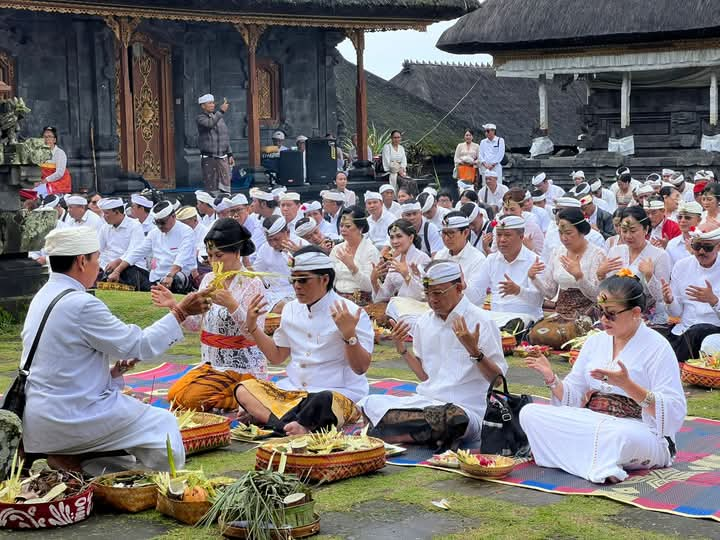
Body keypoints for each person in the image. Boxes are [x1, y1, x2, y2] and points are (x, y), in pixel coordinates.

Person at [22, 226, 210, 473]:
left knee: (126, 447)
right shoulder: (80, 304)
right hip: (67, 417)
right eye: (96, 258)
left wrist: (110, 374)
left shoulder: (44, 295)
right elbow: (139, 345)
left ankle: (77, 462)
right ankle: (159, 480)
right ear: (81, 261)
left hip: (42, 413)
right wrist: (180, 312)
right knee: (162, 424)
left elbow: (59, 366)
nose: (99, 266)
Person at [521, 274, 686, 484]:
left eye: (611, 314)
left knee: (616, 436)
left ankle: (577, 455)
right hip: (594, 421)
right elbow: (573, 395)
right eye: (600, 311)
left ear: (636, 313)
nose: (604, 319)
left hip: (638, 429)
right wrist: (551, 378)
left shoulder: (658, 347)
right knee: (530, 413)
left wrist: (627, 385)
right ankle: (592, 458)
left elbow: (673, 411)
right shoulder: (595, 342)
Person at [360, 260, 506, 448]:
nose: (432, 300)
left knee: (454, 418)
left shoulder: (482, 321)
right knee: (368, 403)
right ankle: (417, 434)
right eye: (427, 294)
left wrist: (474, 351)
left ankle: (396, 434)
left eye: (438, 293)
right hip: (428, 403)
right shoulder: (424, 322)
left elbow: (498, 380)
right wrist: (402, 349)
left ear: (459, 287)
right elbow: (425, 377)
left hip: (467, 409)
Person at [235, 246, 373, 435]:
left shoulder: (351, 312)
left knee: (323, 401)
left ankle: (274, 420)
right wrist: (252, 327)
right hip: (294, 392)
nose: (297, 286)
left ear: (324, 279)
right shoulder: (291, 309)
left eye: (303, 280)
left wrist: (349, 335)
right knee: (245, 389)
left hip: (337, 393)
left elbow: (361, 368)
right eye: (294, 281)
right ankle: (292, 426)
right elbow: (277, 357)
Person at [153, 218, 268, 411]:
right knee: (174, 396)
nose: (214, 262)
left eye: (219, 255)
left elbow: (254, 335)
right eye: (210, 256)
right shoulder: (208, 279)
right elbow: (195, 325)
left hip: (241, 367)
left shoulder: (252, 283)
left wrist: (232, 305)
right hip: (211, 364)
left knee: (190, 400)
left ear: (237, 253)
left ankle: (247, 394)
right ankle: (241, 397)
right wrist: (174, 304)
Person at [466, 216, 544, 325]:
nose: (502, 240)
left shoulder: (535, 261)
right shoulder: (491, 260)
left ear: (521, 237)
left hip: (525, 321)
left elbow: (538, 301)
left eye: (507, 235)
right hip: (496, 319)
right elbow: (476, 295)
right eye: (499, 235)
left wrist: (518, 290)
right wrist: (462, 287)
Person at [530, 208, 605, 320]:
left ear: (581, 231)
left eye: (569, 233)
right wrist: (533, 277)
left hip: (587, 315)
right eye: (560, 233)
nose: (564, 238)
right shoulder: (557, 252)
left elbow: (597, 297)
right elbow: (550, 293)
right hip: (561, 313)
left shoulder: (597, 254)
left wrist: (579, 277)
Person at [601, 206, 671, 324]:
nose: (628, 236)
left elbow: (661, 297)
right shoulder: (615, 251)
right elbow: (606, 290)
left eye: (633, 231)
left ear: (646, 229)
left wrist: (649, 276)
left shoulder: (659, 255)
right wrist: (600, 275)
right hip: (616, 313)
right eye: (624, 230)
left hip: (647, 316)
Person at [661, 228, 720, 361]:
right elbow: (676, 313)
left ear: (718, 247)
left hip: (715, 332)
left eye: (708, 247)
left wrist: (714, 301)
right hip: (684, 331)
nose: (701, 252)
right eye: (697, 247)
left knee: (698, 331)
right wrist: (669, 301)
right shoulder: (682, 266)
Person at [112, 201, 197, 293]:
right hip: (156, 278)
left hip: (178, 277)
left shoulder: (186, 232)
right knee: (127, 269)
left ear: (173, 216)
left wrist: (170, 276)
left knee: (178, 278)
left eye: (162, 222)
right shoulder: (154, 233)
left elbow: (182, 258)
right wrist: (117, 271)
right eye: (157, 223)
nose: (160, 226)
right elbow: (137, 252)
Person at [371, 219, 430, 321]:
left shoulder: (423, 259)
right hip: (399, 310)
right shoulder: (395, 261)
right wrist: (374, 280)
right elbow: (384, 295)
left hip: (419, 313)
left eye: (399, 236)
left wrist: (407, 275)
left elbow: (426, 294)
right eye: (392, 237)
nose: (394, 241)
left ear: (411, 237)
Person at [329, 206, 379, 304]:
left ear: (360, 228)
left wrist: (352, 267)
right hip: (337, 300)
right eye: (341, 225)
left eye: (348, 226)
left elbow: (370, 286)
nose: (343, 229)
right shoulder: (337, 249)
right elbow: (330, 279)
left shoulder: (371, 251)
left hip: (361, 302)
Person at [98, 198, 149, 291]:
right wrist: (104, 265)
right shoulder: (105, 228)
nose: (103, 216)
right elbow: (98, 250)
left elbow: (133, 252)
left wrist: (117, 263)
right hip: (110, 268)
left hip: (133, 268)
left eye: (106, 213)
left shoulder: (134, 226)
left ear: (117, 212)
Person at [253, 215, 298, 313]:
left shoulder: (300, 245)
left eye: (277, 239)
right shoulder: (265, 248)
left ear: (288, 233)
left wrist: (298, 254)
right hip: (272, 294)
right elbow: (256, 273)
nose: (273, 244)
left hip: (296, 293)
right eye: (270, 240)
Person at [196, 94, 233, 193]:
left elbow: (225, 136)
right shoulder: (200, 118)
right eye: (209, 103)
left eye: (213, 103)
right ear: (203, 106)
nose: (212, 105)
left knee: (225, 185)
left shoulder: (218, 117)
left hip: (222, 157)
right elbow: (209, 124)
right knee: (212, 186)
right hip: (209, 157)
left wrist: (230, 154)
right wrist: (221, 111)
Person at [434, 212, 486, 279]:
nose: (446, 238)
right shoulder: (440, 256)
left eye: (451, 233)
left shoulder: (478, 260)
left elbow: (475, 289)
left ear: (465, 233)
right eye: (444, 233)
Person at [497, 188, 544, 256]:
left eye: (512, 209)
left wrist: (530, 248)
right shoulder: (499, 225)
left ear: (522, 208)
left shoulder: (532, 226)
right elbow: (494, 252)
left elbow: (543, 257)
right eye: (506, 209)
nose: (508, 213)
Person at [35, 126, 72, 196]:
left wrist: (43, 182)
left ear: (54, 140)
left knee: (35, 193)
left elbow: (59, 174)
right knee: (25, 192)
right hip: (45, 183)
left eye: (49, 137)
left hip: (59, 184)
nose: (47, 139)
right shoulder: (39, 153)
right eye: (45, 137)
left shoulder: (60, 153)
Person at [667, 202, 703, 266]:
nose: (682, 220)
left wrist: (694, 253)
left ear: (699, 220)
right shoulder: (672, 244)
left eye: (687, 217)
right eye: (680, 217)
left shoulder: (707, 243)